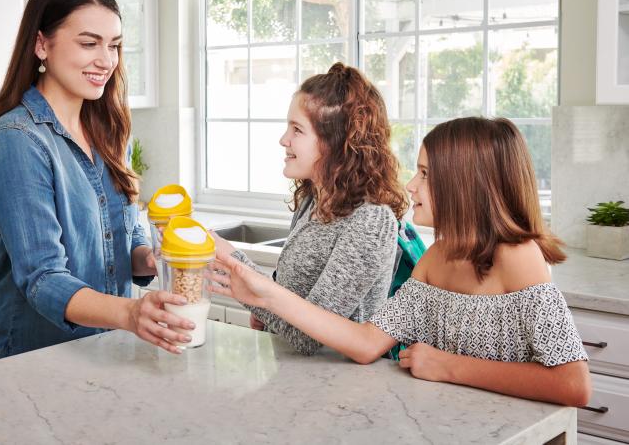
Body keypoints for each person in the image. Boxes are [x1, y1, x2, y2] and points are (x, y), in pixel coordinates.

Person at [212, 117, 592, 406]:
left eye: (425, 173)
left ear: (466, 184)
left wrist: (448, 366)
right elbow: (365, 343)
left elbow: (573, 383)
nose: (411, 185)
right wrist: (264, 292)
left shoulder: (518, 256)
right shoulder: (438, 257)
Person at [0, 0, 192, 360]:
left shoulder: (109, 131)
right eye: (89, 43)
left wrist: (150, 256)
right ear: (41, 44)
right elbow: (42, 278)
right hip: (33, 359)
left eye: (115, 45)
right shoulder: (17, 140)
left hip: (107, 349)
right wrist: (131, 312)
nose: (106, 60)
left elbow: (125, 230)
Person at [213, 63, 408, 355]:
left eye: (297, 129)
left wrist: (233, 259)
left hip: (339, 387)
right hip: (297, 377)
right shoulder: (312, 200)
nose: (284, 140)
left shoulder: (371, 219)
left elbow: (309, 337)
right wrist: (267, 315)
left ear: (335, 143)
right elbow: (291, 305)